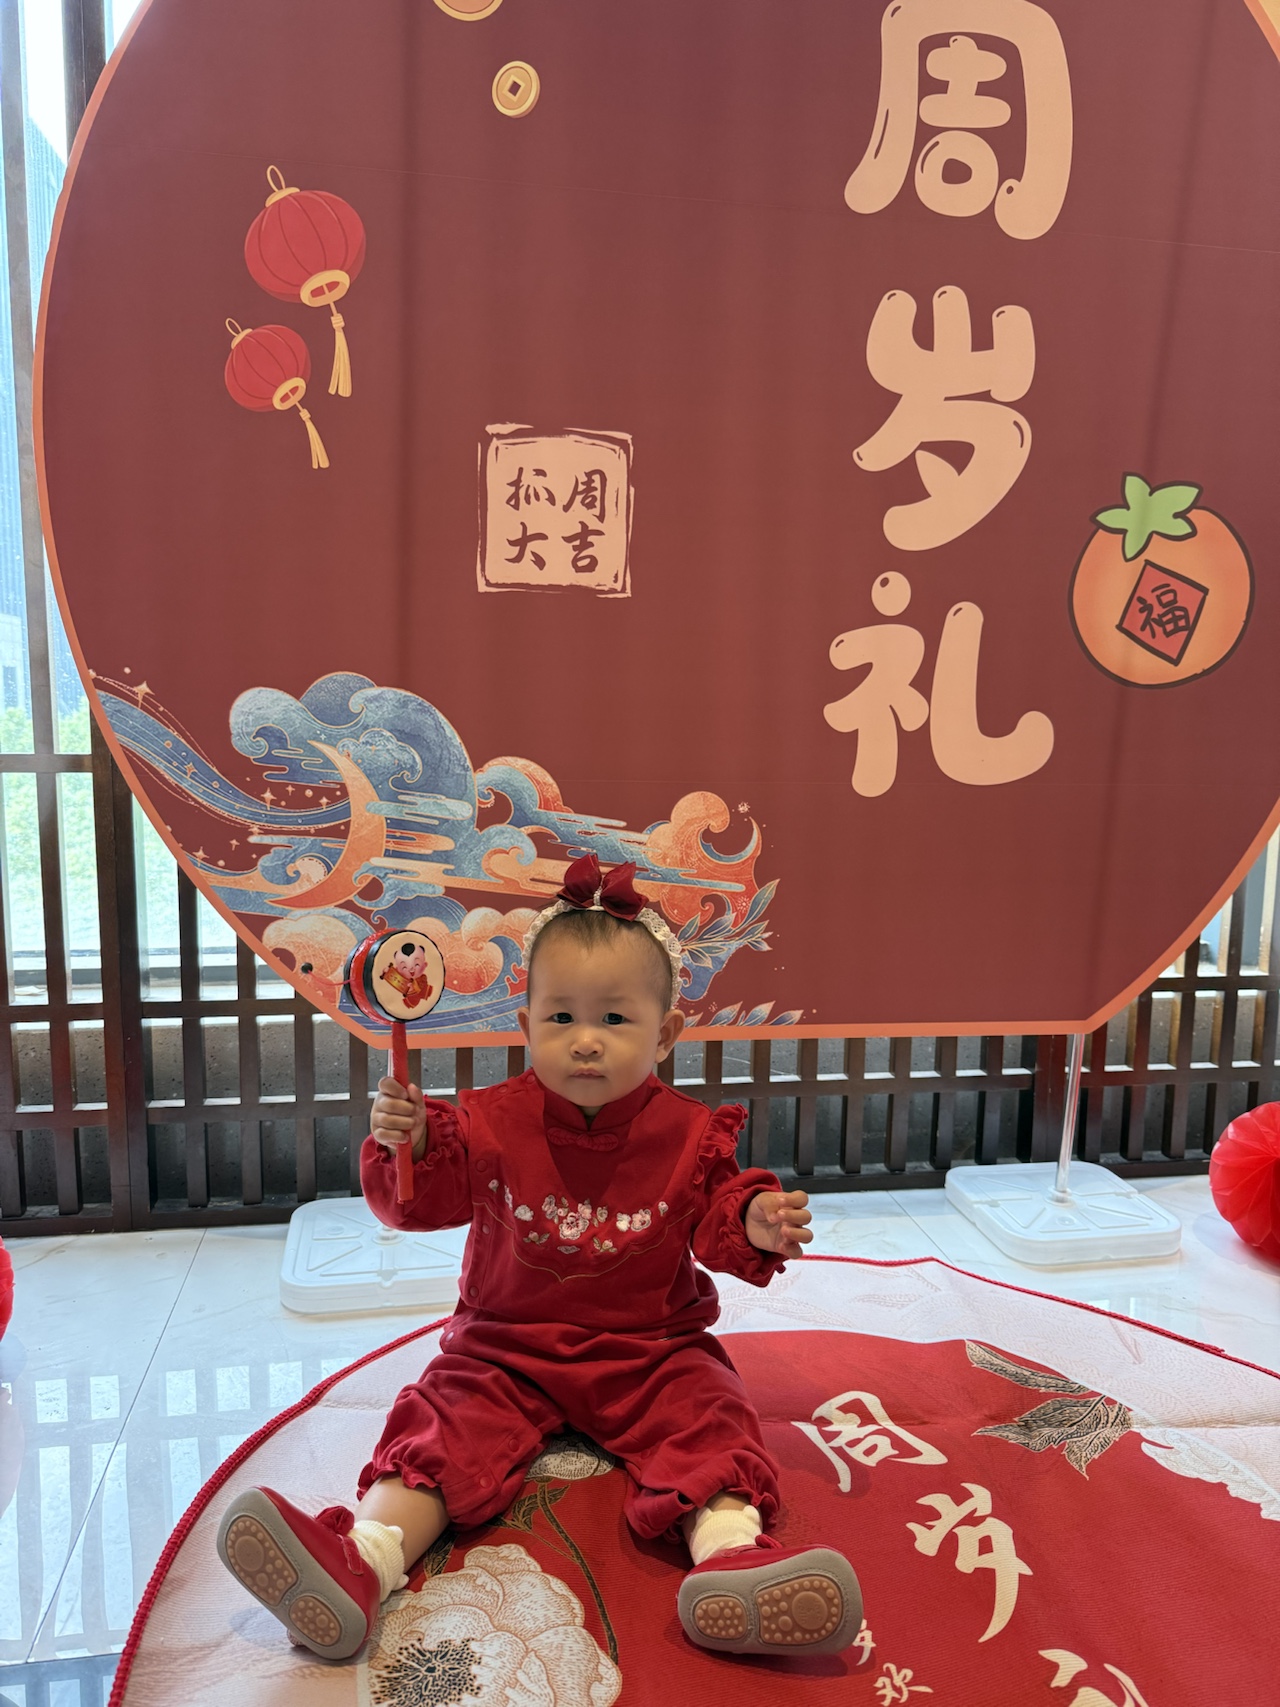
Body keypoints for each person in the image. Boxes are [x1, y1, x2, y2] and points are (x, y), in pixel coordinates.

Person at [216, 853, 862, 1660]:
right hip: (504, 1349)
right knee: (442, 1420)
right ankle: (363, 1559)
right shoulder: (488, 1123)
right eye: (560, 1017)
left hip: (650, 1351)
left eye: (614, 1019)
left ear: (665, 1034)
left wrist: (755, 1219)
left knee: (711, 1411)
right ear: (525, 1026)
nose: (585, 1041)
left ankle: (731, 1557)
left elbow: (714, 1215)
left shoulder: (689, 1135)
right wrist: (408, 1143)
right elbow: (414, 1202)